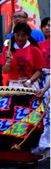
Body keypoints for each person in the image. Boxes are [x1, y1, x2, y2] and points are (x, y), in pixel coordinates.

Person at [0, 23, 43, 88]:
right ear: (14, 35)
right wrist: (8, 62)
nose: (19, 38)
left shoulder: (34, 49)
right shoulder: (7, 49)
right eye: (17, 35)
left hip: (31, 84)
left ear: (28, 36)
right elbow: (5, 71)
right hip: (14, 85)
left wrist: (29, 81)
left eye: (23, 36)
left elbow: (39, 71)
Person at [33, 17, 50, 157]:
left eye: (49, 26)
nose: (47, 28)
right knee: (43, 112)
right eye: (45, 26)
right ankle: (43, 143)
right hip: (41, 78)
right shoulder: (39, 45)